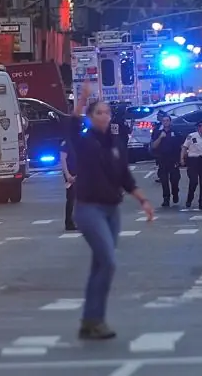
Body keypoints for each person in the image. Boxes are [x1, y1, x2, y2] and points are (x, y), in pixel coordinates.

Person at [66, 83, 154, 340]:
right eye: (99, 113)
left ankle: (90, 321)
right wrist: (82, 99)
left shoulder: (116, 144)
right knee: (108, 261)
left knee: (100, 265)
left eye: (107, 112)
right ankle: (95, 320)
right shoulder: (85, 142)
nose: (104, 116)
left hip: (112, 209)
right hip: (89, 209)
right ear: (90, 117)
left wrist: (143, 200)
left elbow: (124, 176)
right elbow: (71, 126)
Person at [151, 115, 183, 207]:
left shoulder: (175, 132)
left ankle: (175, 193)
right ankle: (166, 198)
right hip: (162, 159)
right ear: (162, 122)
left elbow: (181, 145)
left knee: (175, 179)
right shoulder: (158, 132)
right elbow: (153, 146)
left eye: (167, 120)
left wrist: (181, 158)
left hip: (174, 159)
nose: (166, 122)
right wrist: (160, 137)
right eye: (164, 121)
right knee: (164, 181)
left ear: (170, 121)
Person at [181, 122, 202, 210]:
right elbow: (184, 147)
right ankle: (189, 199)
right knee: (193, 181)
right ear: (198, 127)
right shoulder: (191, 136)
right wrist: (182, 158)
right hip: (193, 160)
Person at [61, 140, 78, 231]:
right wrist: (67, 175)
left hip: (79, 174)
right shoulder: (67, 142)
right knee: (71, 198)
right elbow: (63, 159)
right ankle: (69, 222)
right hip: (71, 174)